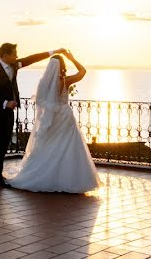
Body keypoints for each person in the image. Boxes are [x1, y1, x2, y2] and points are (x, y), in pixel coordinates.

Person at [8, 50, 100, 193]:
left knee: (50, 145)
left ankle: (47, 176)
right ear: (62, 66)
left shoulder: (44, 82)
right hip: (65, 116)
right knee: (68, 146)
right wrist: (72, 58)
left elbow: (39, 100)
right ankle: (69, 179)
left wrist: (50, 110)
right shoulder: (66, 81)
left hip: (53, 118)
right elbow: (82, 71)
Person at [0, 43, 63, 187]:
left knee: (4, 142)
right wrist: (5, 102)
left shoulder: (14, 66)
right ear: (5, 55)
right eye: (14, 54)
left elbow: (31, 59)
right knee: (1, 142)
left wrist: (53, 52)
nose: (17, 57)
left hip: (9, 111)